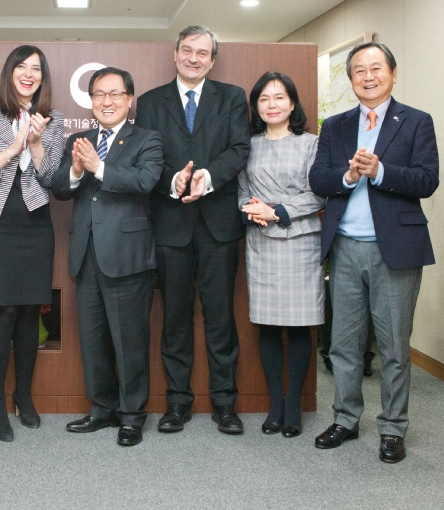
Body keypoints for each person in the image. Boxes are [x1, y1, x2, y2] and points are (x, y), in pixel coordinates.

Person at [309, 42, 439, 464]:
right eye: (359, 70)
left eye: (376, 68)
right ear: (350, 80)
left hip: (395, 250)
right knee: (344, 345)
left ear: (393, 73)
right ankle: (345, 420)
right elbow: (318, 179)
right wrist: (347, 176)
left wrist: (380, 171)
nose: (368, 76)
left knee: (394, 346)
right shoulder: (337, 125)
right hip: (345, 248)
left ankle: (393, 428)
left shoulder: (416, 121)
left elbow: (426, 180)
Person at [134, 25, 250, 434]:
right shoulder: (149, 102)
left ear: (213, 60)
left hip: (218, 225)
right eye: (187, 50)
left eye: (203, 53)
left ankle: (225, 404)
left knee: (221, 320)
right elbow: (144, 153)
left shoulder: (233, 98)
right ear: (176, 53)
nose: (194, 58)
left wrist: (206, 176)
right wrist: (173, 181)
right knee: (175, 320)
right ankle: (177, 403)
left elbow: (239, 149)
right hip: (170, 226)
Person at [53, 67, 163, 447]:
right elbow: (61, 189)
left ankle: (132, 416)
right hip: (86, 255)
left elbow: (146, 181)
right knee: (93, 339)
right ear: (91, 100)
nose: (107, 101)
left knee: (129, 340)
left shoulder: (147, 139)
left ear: (130, 99)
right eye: (99, 94)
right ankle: (102, 409)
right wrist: (75, 169)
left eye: (116, 94)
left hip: (127, 256)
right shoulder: (79, 139)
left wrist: (98, 167)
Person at [0, 45, 65, 442]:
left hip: (35, 224)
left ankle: (23, 394)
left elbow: (53, 180)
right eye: (21, 67)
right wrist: (13, 147)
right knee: (2, 312)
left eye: (35, 68)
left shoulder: (52, 121)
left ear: (43, 77)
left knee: (28, 312)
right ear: (10, 73)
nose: (28, 74)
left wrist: (37, 143)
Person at [237, 72, 325, 439]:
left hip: (300, 241)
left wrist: (277, 211)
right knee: (269, 324)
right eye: (264, 99)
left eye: (279, 98)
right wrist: (252, 209)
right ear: (256, 106)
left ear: (292, 103)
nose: (272, 105)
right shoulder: (248, 145)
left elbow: (320, 193)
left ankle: (294, 404)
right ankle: (275, 403)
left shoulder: (311, 144)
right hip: (261, 241)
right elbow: (240, 190)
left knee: (300, 323)